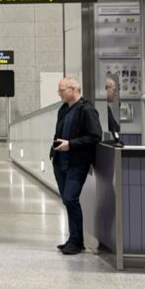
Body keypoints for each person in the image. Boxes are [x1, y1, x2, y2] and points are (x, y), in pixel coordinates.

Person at [51, 77, 102, 255]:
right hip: (61, 162)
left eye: (62, 90)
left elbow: (95, 136)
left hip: (76, 163)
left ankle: (76, 241)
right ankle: (73, 238)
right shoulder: (64, 109)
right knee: (67, 200)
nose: (59, 94)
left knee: (71, 198)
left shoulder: (87, 110)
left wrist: (71, 144)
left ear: (73, 89)